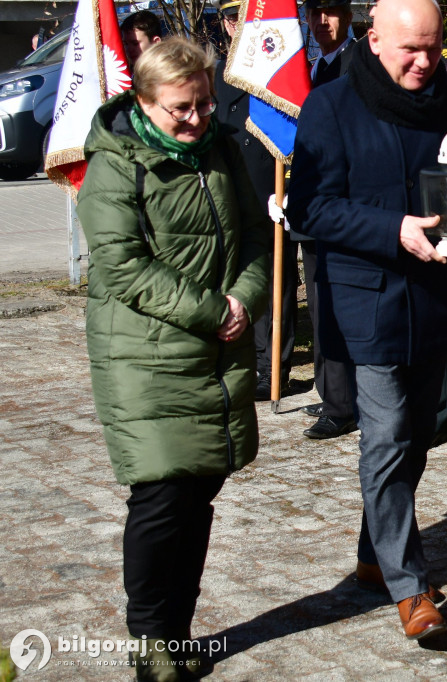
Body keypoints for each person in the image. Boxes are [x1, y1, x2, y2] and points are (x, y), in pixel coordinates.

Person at [289, 0, 447, 640]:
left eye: (435, 48)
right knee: (385, 434)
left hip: (433, 292)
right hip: (366, 297)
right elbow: (309, 210)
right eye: (410, 49)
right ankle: (411, 588)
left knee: (418, 432)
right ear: (372, 38)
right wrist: (391, 228)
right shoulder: (332, 103)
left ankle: (374, 556)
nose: (424, 62)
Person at [76, 37, 270, 679]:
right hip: (143, 355)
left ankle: (178, 634)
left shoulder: (218, 148)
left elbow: (253, 239)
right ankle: (152, 642)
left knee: (197, 494)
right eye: (180, 109)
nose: (195, 120)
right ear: (143, 99)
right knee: (162, 497)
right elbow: (123, 267)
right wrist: (215, 312)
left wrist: (243, 297)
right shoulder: (113, 165)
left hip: (216, 352)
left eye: (205, 105)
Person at [214, 0, 300, 403]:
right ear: (225, 25)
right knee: (234, 277)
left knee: (275, 280)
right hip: (229, 193)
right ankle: (243, 358)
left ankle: (273, 367)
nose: (238, 25)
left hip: (270, 190)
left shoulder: (274, 65)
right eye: (232, 19)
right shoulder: (217, 76)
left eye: (244, 17)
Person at [290, 0, 359, 438]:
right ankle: (331, 393)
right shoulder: (314, 69)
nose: (321, 22)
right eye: (314, 13)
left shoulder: (358, 64)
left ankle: (344, 402)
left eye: (330, 12)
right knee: (318, 303)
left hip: (342, 206)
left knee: (338, 305)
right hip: (315, 206)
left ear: (349, 15)